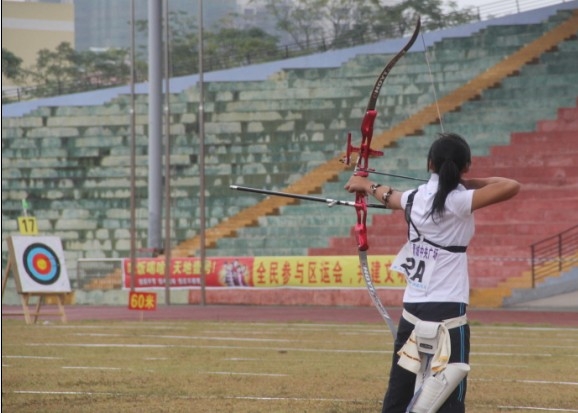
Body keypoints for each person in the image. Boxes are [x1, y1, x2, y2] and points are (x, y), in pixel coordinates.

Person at [344, 132, 520, 413]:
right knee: (449, 390)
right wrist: (469, 182)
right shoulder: (460, 200)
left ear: (430, 164)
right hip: (449, 308)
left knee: (400, 388)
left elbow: (389, 196)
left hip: (413, 306)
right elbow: (511, 186)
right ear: (466, 166)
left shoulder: (414, 198)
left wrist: (365, 184)